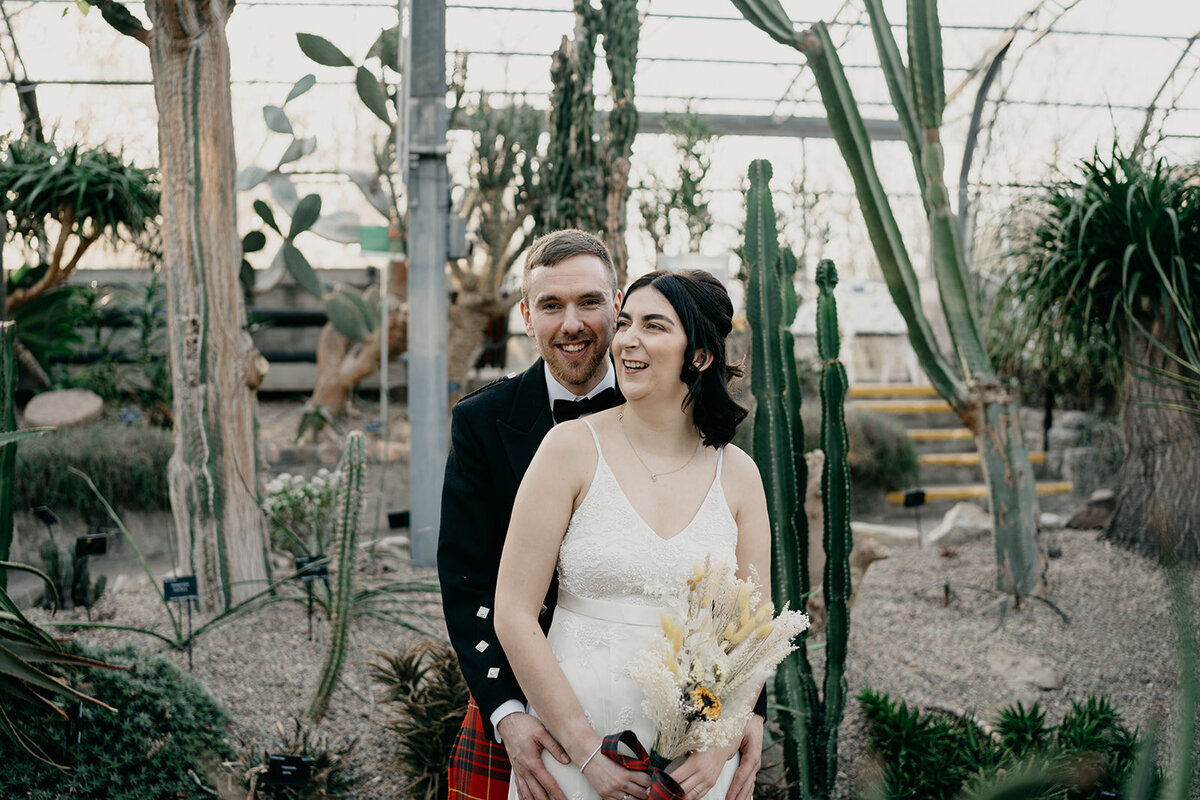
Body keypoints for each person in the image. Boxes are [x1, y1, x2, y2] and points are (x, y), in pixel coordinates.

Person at [494, 270, 771, 800]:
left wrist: (718, 744)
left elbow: (750, 634)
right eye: (624, 323)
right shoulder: (568, 448)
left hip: (693, 756)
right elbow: (512, 610)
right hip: (575, 737)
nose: (626, 340)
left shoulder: (738, 475)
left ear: (700, 356)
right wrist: (586, 751)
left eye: (653, 325)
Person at [439, 229, 626, 800]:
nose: (571, 323)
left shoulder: (672, 408)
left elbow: (730, 575)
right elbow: (467, 580)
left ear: (617, 306)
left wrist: (739, 707)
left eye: (589, 301)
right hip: (522, 691)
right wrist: (507, 714)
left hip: (651, 687)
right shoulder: (481, 422)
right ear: (526, 314)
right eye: (551, 305)